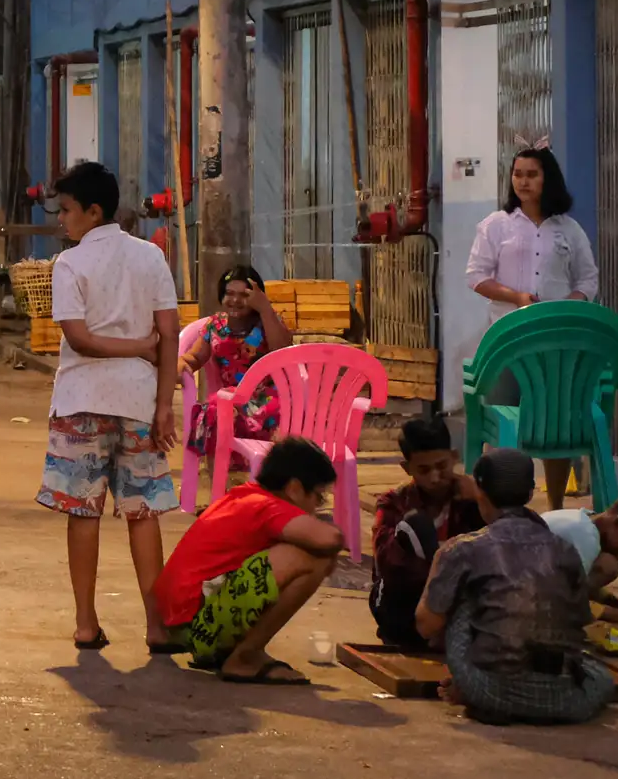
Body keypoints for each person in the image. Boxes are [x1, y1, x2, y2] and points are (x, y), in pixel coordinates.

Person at [35, 161, 183, 653]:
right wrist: (165, 401)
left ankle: (85, 623)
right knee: (143, 513)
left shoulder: (71, 265)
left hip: (82, 402)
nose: (62, 220)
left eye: (68, 211)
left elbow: (79, 341)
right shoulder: (150, 258)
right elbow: (170, 335)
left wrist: (136, 346)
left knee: (84, 512)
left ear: (93, 212)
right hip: (139, 401)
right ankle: (157, 627)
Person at [416, 447, 614, 724]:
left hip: (486, 688)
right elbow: (581, 618)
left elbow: (427, 624)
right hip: (565, 700)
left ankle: (481, 692)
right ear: (531, 494)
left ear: (480, 494)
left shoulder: (465, 548)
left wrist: (440, 559)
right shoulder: (565, 549)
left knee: (463, 591)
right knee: (600, 674)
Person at [465, 147, 600, 508]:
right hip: (507, 340)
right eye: (518, 174)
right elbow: (476, 277)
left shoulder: (568, 229)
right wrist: (516, 296)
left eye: (532, 174)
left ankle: (555, 506)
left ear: (548, 179)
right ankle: (498, 506)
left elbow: (588, 278)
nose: (523, 181)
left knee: (554, 426)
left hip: (556, 345)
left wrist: (569, 306)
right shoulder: (496, 225)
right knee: (501, 423)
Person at [151, 436, 344, 682]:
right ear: (294, 489)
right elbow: (328, 538)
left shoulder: (244, 495)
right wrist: (331, 548)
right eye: (318, 497)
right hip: (200, 629)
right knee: (311, 559)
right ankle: (244, 658)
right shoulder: (268, 507)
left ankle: (235, 651)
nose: (319, 506)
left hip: (185, 626)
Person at [368, 409, 486, 648]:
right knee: (413, 527)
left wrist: (482, 499)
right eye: (423, 470)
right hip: (410, 599)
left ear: (454, 457)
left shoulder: (474, 497)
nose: (434, 477)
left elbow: (515, 536)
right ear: (407, 468)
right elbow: (385, 563)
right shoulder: (393, 503)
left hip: (459, 600)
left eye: (441, 466)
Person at [181, 264, 292, 455]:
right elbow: (195, 357)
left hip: (267, 400)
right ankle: (221, 480)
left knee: (223, 411)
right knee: (213, 413)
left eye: (244, 295)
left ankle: (260, 476)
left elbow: (283, 350)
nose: (235, 300)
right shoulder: (214, 325)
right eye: (229, 293)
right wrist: (182, 363)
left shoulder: (267, 322)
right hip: (230, 400)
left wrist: (265, 309)